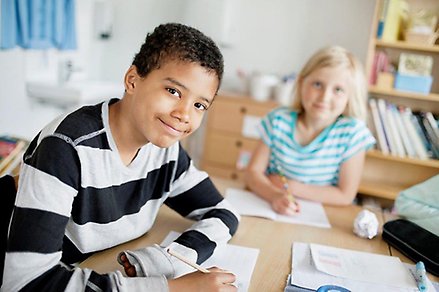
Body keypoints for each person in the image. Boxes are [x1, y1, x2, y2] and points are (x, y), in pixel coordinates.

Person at [3, 23, 240, 292]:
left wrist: (169, 259)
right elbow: (26, 284)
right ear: (132, 80)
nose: (184, 114)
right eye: (173, 91)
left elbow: (224, 213)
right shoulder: (67, 146)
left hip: (96, 268)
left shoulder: (166, 152)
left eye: (199, 105)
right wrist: (172, 289)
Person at [245, 46, 376, 215]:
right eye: (317, 84)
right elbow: (252, 173)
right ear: (301, 83)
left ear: (350, 96)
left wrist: (291, 187)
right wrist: (275, 195)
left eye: (338, 90)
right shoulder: (277, 121)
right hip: (270, 208)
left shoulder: (352, 134)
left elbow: (345, 195)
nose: (324, 97)